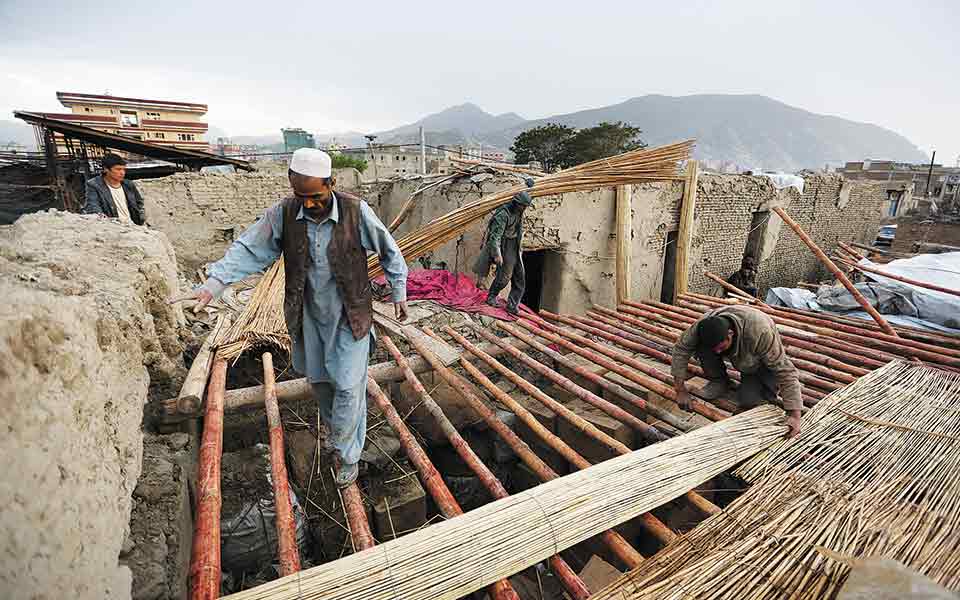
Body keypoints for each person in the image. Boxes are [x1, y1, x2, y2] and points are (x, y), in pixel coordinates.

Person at [175, 148, 408, 487]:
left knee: (346, 385)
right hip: (309, 317)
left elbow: (389, 250)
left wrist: (398, 289)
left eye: (316, 196)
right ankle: (341, 434)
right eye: (301, 196)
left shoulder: (357, 212)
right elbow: (249, 248)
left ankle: (347, 454)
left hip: (349, 316)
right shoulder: (284, 213)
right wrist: (214, 283)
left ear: (332, 183)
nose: (309, 204)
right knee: (323, 384)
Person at [671, 305, 802, 437]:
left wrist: (795, 415)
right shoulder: (701, 326)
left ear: (730, 334)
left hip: (759, 360)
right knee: (704, 348)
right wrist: (680, 390)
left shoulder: (760, 332)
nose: (717, 352)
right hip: (735, 341)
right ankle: (719, 381)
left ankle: (763, 390)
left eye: (721, 347)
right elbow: (681, 349)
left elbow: (785, 371)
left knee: (750, 401)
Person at [472, 177, 535, 315]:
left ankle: (512, 305)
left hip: (515, 244)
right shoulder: (503, 214)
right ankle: (491, 296)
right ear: (517, 204)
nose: (524, 209)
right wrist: (498, 254)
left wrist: (531, 184)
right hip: (505, 245)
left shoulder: (519, 211)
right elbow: (495, 237)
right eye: (523, 206)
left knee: (520, 277)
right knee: (504, 277)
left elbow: (529, 191)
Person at [83, 153, 147, 225]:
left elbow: (139, 203)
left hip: (133, 225)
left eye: (124, 169)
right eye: (118, 169)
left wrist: (141, 218)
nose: (122, 173)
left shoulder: (128, 184)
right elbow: (93, 207)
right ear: (106, 169)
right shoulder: (94, 185)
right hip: (114, 228)